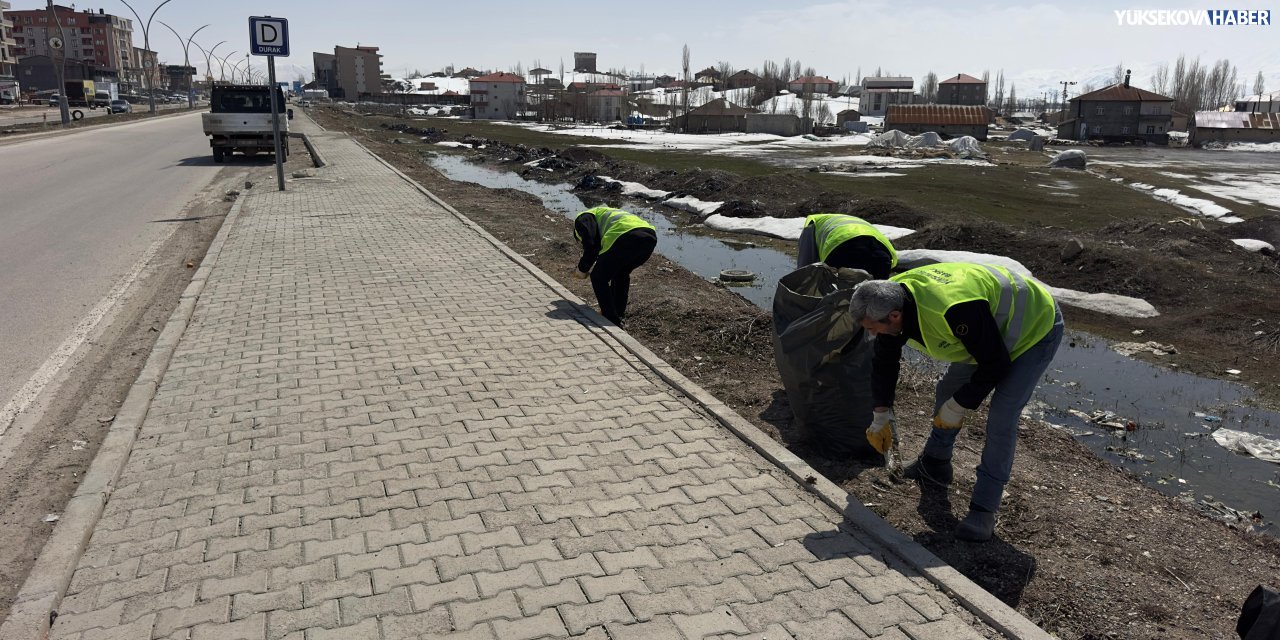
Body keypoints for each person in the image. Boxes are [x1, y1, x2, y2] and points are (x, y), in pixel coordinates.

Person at [849, 263, 1064, 541]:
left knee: (1001, 417)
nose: (873, 334)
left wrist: (959, 406)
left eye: (874, 328)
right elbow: (885, 361)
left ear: (895, 315)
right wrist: (881, 412)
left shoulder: (952, 310)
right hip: (985, 331)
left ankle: (984, 510)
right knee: (948, 389)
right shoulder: (890, 295)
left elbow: (995, 365)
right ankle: (935, 462)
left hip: (1032, 328)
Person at [573, 206, 657, 327]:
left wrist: (582, 269)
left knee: (598, 277)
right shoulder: (602, 213)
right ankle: (618, 314)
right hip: (649, 238)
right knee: (620, 274)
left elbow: (591, 246)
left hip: (625, 236)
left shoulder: (581, 219)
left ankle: (610, 318)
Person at [796, 213, 897, 279]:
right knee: (878, 297)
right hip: (883, 253)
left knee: (836, 293)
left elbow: (804, 268)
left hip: (843, 248)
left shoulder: (813, 224)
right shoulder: (844, 221)